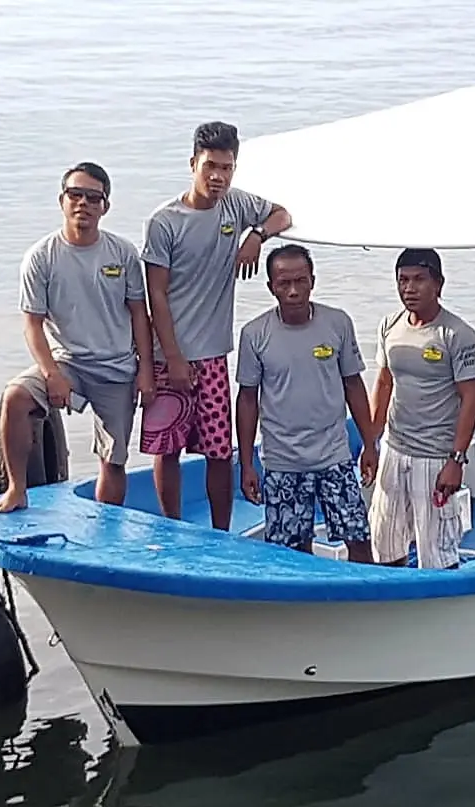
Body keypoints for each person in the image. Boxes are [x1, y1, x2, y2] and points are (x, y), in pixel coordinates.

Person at [140, 121, 293, 530]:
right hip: (168, 352)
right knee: (167, 449)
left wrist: (256, 235)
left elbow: (283, 214)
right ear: (193, 164)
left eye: (226, 167)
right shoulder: (164, 221)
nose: (218, 176)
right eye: (210, 166)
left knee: (218, 451)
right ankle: (171, 524)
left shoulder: (236, 205)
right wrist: (171, 356)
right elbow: (156, 293)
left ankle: (220, 531)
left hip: (212, 354)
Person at [0, 162, 154, 514]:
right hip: (66, 362)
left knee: (113, 459)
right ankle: (17, 489)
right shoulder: (41, 257)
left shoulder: (122, 253)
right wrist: (51, 374)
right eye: (75, 195)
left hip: (116, 366)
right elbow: (32, 324)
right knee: (15, 397)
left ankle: (107, 522)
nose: (83, 203)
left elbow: (140, 314)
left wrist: (146, 370)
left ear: (105, 206)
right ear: (62, 200)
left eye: (93, 197)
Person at [234, 245, 378, 561]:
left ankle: (363, 601)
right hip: (282, 462)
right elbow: (247, 399)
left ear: (313, 280)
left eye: (301, 281)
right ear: (271, 286)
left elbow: (353, 384)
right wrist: (246, 464)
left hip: (334, 457)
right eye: (284, 283)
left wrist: (369, 444)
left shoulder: (338, 323)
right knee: (291, 553)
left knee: (359, 539)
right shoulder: (254, 334)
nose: (294, 291)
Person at [368, 248, 475, 569]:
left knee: (437, 554)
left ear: (438, 284)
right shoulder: (389, 325)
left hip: (435, 458)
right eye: (403, 280)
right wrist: (371, 442)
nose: (409, 288)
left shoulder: (458, 335)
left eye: (419, 280)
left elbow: (471, 399)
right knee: (385, 545)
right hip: (394, 450)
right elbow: (384, 383)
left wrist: (456, 460)